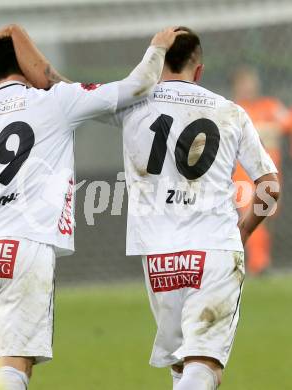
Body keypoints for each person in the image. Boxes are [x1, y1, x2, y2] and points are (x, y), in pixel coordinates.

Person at [24, 27, 280, 389]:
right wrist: (245, 229)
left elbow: (63, 89)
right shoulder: (231, 112)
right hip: (214, 248)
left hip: (159, 257)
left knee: (181, 368)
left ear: (157, 64)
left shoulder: (132, 104)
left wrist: (24, 52)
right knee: (204, 366)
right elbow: (269, 186)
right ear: (200, 70)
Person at [0, 24, 183, 390]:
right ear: (29, 63)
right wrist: (158, 48)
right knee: (15, 365)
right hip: (24, 246)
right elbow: (136, 87)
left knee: (0, 363)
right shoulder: (55, 100)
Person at [232, 66, 289, 274]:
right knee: (254, 216)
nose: (249, 87)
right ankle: (259, 265)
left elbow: (288, 122)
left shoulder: (270, 107)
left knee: (264, 220)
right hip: (243, 177)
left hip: (271, 174)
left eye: (251, 82)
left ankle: (255, 263)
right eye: (244, 83)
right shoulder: (234, 111)